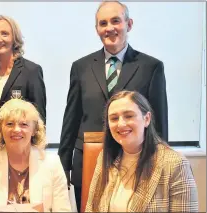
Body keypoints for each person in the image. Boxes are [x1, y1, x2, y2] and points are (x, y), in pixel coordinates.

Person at [58, 1, 168, 211]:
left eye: (116, 21)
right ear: (97, 28)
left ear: (129, 24)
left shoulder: (151, 67)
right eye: (103, 23)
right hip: (88, 162)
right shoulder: (80, 67)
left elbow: (158, 121)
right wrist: (63, 166)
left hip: (137, 163)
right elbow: (71, 119)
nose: (109, 28)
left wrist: (160, 164)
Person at [85, 90, 198, 212]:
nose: (121, 124)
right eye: (114, 118)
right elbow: (91, 208)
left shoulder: (175, 164)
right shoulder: (105, 158)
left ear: (147, 119)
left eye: (129, 116)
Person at [0, 15, 47, 170]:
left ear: (14, 39)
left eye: (4, 33)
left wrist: (37, 157)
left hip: (22, 155)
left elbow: (39, 119)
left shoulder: (31, 71)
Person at [0, 99, 71, 212]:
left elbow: (63, 210)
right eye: (10, 124)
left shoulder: (52, 163)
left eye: (23, 124)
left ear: (34, 130)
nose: (16, 129)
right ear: (0, 129)